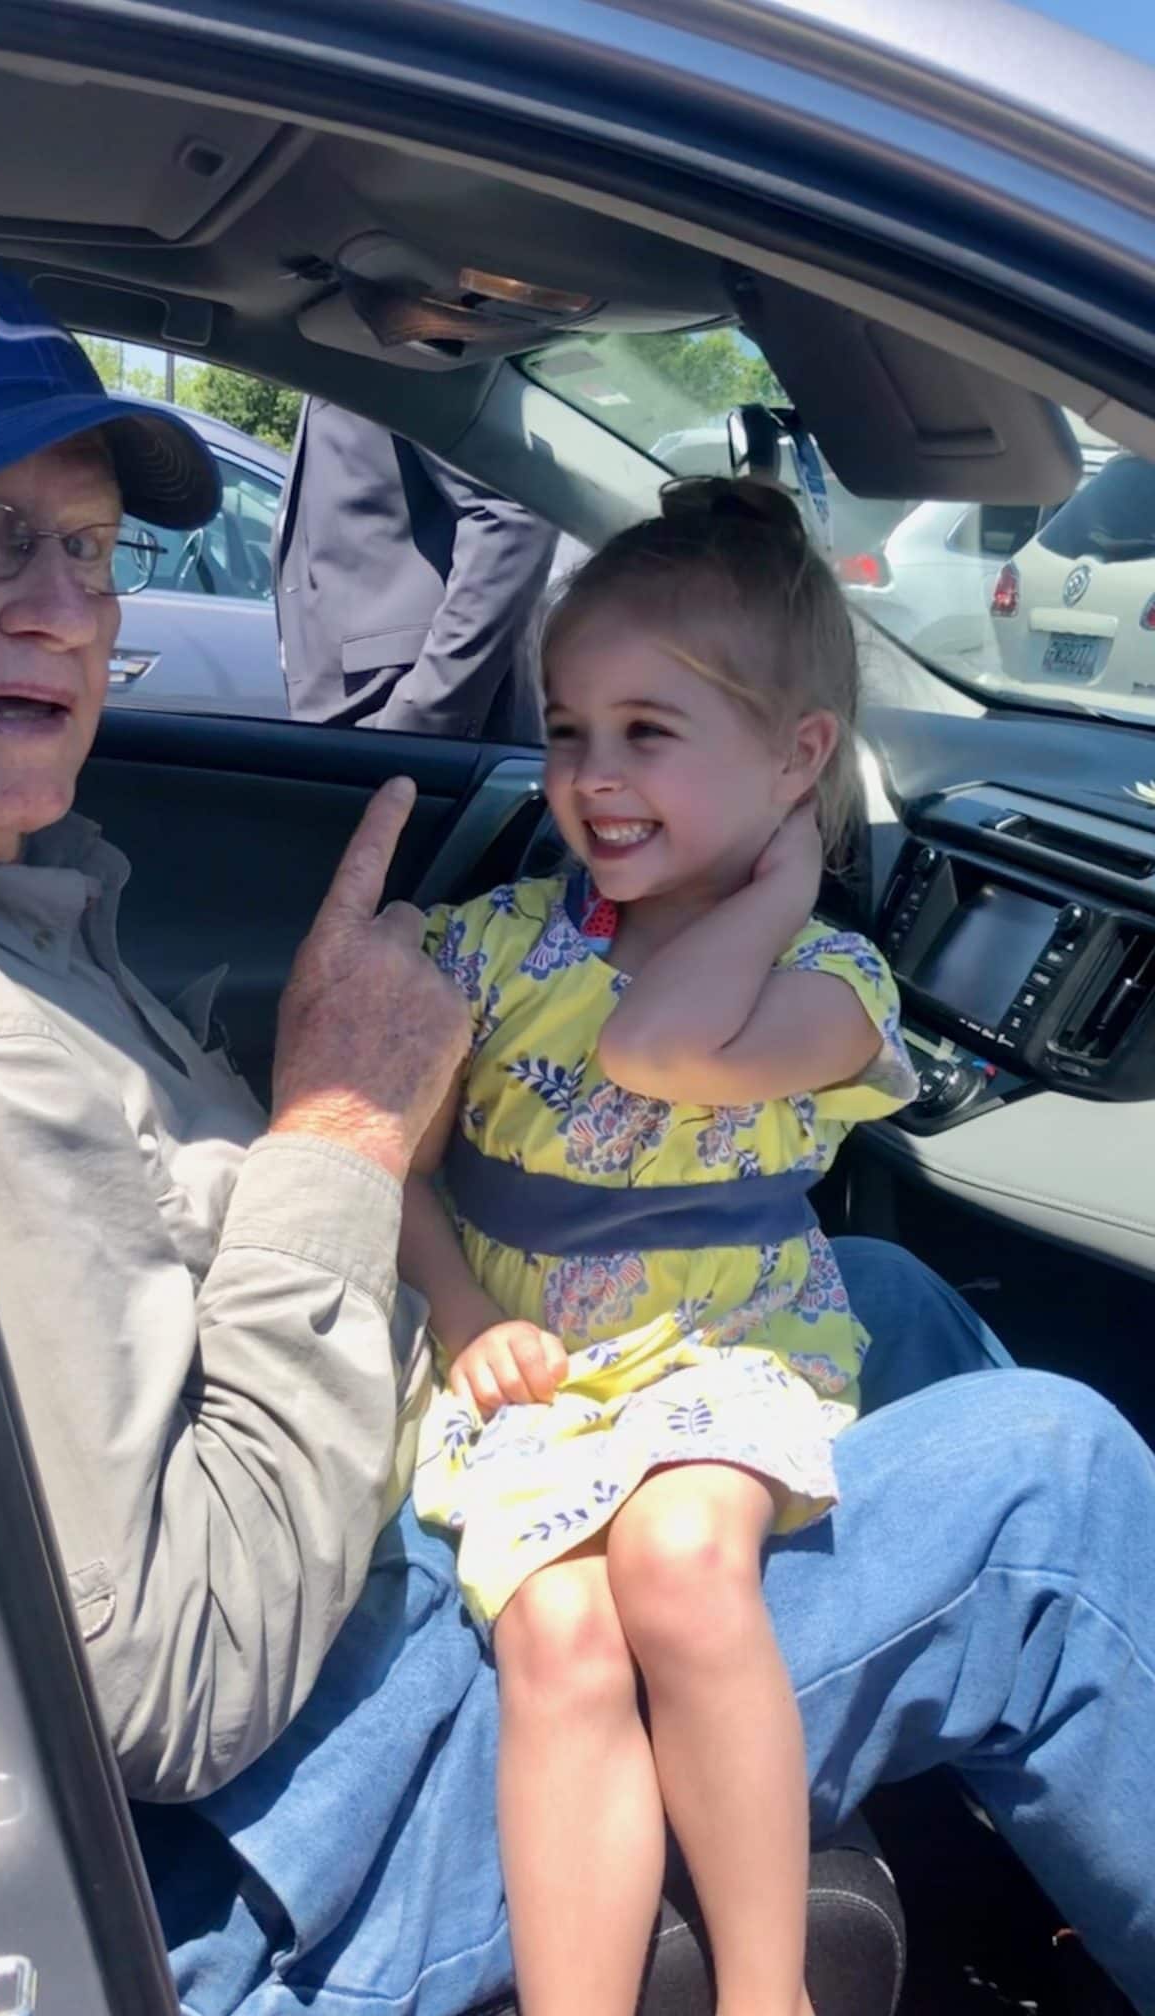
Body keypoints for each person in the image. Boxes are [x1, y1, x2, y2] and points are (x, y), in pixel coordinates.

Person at [0, 237, 1155, 2016]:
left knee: (877, 1293)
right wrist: (341, 1125)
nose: (61, 604)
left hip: (403, 1485)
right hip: (281, 1832)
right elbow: (178, 1686)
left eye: (93, 545)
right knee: (1049, 1481)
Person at [403, 478, 918, 2016]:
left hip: (722, 1350)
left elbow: (659, 1052)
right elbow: (406, 1174)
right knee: (561, 1631)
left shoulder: (836, 986)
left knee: (684, 1562)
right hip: (529, 1367)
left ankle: (770, 1995)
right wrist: (448, 1314)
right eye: (568, 730)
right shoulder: (483, 948)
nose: (593, 777)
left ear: (797, 758)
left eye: (650, 732)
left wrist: (783, 890)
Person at [276, 398, 558, 739]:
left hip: (399, 730)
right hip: (362, 725)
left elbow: (514, 513)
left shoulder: (382, 349)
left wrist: (422, 719)